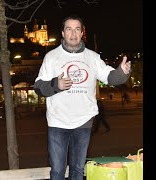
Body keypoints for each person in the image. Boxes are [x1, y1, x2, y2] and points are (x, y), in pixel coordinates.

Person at [34, 15, 131, 180]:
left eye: (77, 29)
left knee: (78, 170)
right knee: (57, 171)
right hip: (58, 122)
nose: (73, 33)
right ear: (63, 33)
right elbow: (38, 88)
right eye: (69, 29)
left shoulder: (92, 57)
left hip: (83, 121)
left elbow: (111, 78)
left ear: (82, 32)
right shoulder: (51, 57)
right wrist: (55, 85)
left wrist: (122, 72)